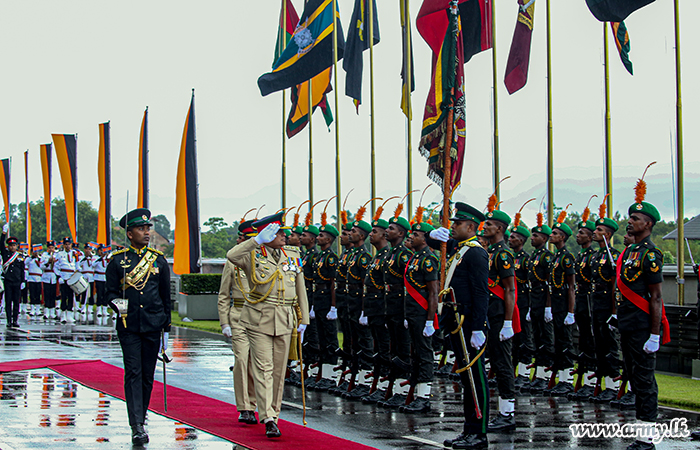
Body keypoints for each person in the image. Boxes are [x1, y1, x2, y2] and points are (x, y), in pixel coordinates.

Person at [227, 212, 309, 438]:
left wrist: (303, 320)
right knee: (263, 368)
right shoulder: (252, 254)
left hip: (285, 318)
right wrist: (256, 240)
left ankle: (275, 412)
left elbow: (300, 287)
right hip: (259, 318)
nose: (285, 235)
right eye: (279, 232)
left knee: (279, 371)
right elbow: (231, 256)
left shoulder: (292, 255)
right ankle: (268, 418)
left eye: (283, 231)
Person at [105, 208, 171, 445]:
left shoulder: (159, 260)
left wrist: (166, 327)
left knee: (147, 375)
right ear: (129, 233)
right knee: (133, 373)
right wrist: (119, 306)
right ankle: (137, 424)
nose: (146, 232)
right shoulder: (117, 261)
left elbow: (165, 297)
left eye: (147, 228)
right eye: (141, 229)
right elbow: (110, 292)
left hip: (153, 324)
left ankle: (141, 416)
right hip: (129, 324)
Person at [614, 176, 669, 450]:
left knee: (645, 381)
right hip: (627, 324)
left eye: (635, 218)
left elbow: (656, 297)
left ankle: (646, 437)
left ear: (648, 224)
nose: (630, 221)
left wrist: (655, 334)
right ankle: (640, 430)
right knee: (635, 378)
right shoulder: (630, 251)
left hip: (642, 326)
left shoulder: (650, 254)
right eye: (630, 217)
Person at [429, 202, 490, 450]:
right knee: (467, 380)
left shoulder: (475, 253)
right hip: (456, 322)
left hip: (468, 324)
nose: (452, 227)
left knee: (476, 379)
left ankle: (480, 433)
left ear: (471, 226)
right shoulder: (458, 248)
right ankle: (469, 430)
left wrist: (478, 328)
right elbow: (436, 244)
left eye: (457, 224)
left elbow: (481, 293)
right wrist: (431, 235)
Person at [218, 219, 258, 424]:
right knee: (242, 360)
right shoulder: (232, 261)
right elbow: (224, 294)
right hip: (240, 315)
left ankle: (257, 402)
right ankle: (245, 407)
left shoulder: (264, 259)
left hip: (261, 317)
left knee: (257, 364)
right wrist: (225, 323)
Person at [482, 208, 518, 431]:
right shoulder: (491, 252)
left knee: (503, 364)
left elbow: (510, 289)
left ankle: (507, 414)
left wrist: (507, 321)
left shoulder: (503, 254)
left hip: (499, 317)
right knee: (495, 362)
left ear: (500, 229)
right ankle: (502, 411)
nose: (484, 227)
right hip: (490, 314)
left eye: (489, 225)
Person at [400, 217, 438, 413]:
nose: (411, 237)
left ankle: (424, 397)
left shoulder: (429, 259)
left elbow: (433, 292)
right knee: (416, 353)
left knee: (424, 354)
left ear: (425, 239)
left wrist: (430, 320)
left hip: (424, 314)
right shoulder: (415, 258)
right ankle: (416, 394)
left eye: (416, 235)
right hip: (413, 313)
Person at [588, 200, 623, 403]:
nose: (595, 232)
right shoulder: (595, 256)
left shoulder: (614, 256)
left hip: (607, 306)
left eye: (599, 230)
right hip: (596, 305)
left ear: (607, 235)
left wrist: (614, 311)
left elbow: (614, 286)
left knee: (610, 345)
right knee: (598, 344)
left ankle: (613, 385)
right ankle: (602, 384)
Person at [544, 210, 577, 395]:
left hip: (564, 303)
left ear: (562, 237)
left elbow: (571, 287)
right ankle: (561, 379)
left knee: (566, 342)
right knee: (558, 341)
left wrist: (570, 311)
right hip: (556, 304)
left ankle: (567, 379)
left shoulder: (566, 257)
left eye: (555, 233)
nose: (552, 235)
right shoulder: (555, 257)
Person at [360, 214, 392, 401]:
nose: (371, 235)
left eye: (375, 232)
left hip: (382, 307)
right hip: (373, 307)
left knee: (384, 347)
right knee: (377, 348)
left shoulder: (387, 256)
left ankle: (384, 386)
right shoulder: (377, 257)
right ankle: (377, 384)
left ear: (384, 235)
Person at [524, 214, 554, 393]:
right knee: (536, 337)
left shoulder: (547, 257)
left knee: (546, 338)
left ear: (544, 238)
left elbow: (550, 283)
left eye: (536, 236)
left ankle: (545, 376)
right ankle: (539, 374)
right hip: (533, 298)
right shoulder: (534, 255)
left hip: (543, 299)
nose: (532, 238)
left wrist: (548, 306)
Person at [311, 219, 340, 389]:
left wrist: (333, 306)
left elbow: (332, 283)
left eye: (321, 236)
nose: (318, 238)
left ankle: (330, 376)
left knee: (330, 339)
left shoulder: (330, 258)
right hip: (319, 299)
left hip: (327, 299)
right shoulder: (320, 256)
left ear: (329, 240)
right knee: (321, 338)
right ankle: (323, 374)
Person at [508, 212, 534, 390]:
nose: (510, 239)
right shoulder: (509, 257)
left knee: (525, 338)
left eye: (514, 237)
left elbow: (532, 283)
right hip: (512, 302)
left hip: (523, 301)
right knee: (514, 339)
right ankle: (513, 370)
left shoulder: (525, 259)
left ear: (522, 241)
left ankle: (524, 373)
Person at [573, 206, 597, 393]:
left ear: (590, 238)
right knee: (582, 340)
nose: (578, 235)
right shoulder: (580, 256)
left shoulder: (593, 256)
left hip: (590, 299)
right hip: (581, 299)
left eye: (582, 233)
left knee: (591, 340)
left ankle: (591, 379)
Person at [1, 225, 25, 328]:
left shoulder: (20, 256)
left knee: (16, 301)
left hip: (17, 281)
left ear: (17, 246)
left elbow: (22, 269)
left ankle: (15, 320)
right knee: (8, 301)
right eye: (10, 245)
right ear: (8, 246)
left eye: (14, 245)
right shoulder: (5, 254)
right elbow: (0, 245)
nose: (12, 247)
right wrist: (3, 234)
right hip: (8, 281)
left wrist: (23, 281)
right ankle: (9, 320)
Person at [55, 237, 78, 323]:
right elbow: (56, 266)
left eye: (69, 244)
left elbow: (77, 265)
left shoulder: (75, 253)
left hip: (71, 277)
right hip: (64, 277)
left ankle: (70, 315)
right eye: (66, 244)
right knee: (63, 296)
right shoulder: (59, 254)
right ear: (63, 245)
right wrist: (59, 276)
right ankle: (63, 315)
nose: (68, 246)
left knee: (71, 297)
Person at [40, 240, 59, 320]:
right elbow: (41, 266)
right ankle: (46, 312)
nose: (51, 249)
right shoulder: (44, 255)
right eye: (49, 248)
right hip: (46, 276)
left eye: (52, 248)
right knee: (47, 294)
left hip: (54, 276)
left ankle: (52, 312)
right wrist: (48, 262)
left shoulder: (57, 255)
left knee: (53, 295)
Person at [78, 243, 96, 320]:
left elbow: (94, 265)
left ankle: (90, 308)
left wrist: (91, 257)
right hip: (84, 276)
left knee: (91, 293)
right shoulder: (81, 257)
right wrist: (85, 258)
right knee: (84, 293)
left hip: (91, 277)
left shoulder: (95, 258)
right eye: (86, 249)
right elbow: (79, 265)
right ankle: (83, 307)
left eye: (89, 249)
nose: (88, 250)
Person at [26, 244, 44, 317]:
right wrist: (32, 257)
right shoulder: (30, 259)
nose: (35, 253)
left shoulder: (40, 259)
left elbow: (43, 265)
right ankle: (32, 309)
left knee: (38, 294)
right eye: (34, 251)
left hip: (39, 278)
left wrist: (38, 258)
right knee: (32, 294)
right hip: (31, 278)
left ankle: (38, 309)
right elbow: (25, 263)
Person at [93, 244, 110, 319]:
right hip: (98, 278)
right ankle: (99, 309)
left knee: (105, 294)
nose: (102, 251)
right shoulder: (95, 258)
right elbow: (93, 265)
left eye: (103, 250)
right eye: (101, 250)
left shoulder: (108, 258)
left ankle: (105, 309)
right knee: (99, 294)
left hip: (105, 278)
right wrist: (101, 258)